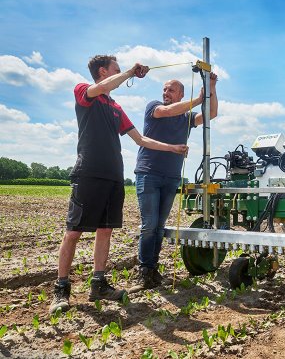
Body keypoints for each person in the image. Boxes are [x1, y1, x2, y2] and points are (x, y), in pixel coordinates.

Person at [50, 55, 188, 314]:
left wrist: (173, 148)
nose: (120, 72)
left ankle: (98, 284)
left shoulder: (116, 107)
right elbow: (103, 87)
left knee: (105, 231)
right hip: (89, 172)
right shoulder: (85, 91)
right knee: (73, 232)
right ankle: (61, 289)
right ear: (104, 71)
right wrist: (129, 73)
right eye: (116, 69)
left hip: (114, 175)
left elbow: (141, 139)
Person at [133, 73, 218, 289]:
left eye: (170, 90)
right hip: (149, 174)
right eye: (164, 89)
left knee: (159, 227)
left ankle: (153, 271)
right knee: (149, 225)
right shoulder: (155, 107)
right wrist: (199, 100)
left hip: (171, 177)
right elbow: (168, 111)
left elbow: (212, 114)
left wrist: (212, 86)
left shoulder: (185, 117)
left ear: (181, 93)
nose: (165, 93)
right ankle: (144, 271)